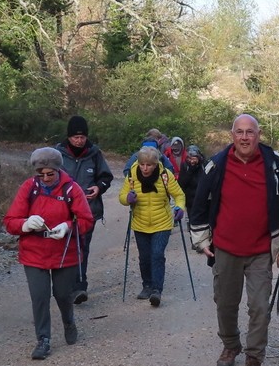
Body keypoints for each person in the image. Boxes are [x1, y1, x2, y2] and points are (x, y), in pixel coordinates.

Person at [189, 114, 279, 366]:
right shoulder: (217, 165)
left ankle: (253, 361)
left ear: (258, 134)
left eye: (250, 132)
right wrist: (202, 240)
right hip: (225, 248)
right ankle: (230, 345)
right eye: (240, 132)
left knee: (260, 307)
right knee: (225, 303)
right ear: (232, 135)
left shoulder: (275, 165)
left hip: (262, 249)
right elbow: (199, 203)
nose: (245, 137)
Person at [3, 148, 94, 360]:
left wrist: (68, 226)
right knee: (40, 297)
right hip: (34, 252)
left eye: (49, 174)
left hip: (64, 252)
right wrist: (25, 224)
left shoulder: (72, 189)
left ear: (58, 169)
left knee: (62, 295)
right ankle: (43, 339)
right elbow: (10, 221)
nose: (45, 178)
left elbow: (86, 220)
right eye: (40, 174)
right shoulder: (29, 188)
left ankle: (68, 321)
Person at [55, 115, 114, 304]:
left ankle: (80, 286)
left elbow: (106, 177)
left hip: (88, 211)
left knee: (82, 248)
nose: (79, 141)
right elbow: (47, 179)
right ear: (69, 137)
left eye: (82, 137)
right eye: (75, 137)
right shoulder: (58, 154)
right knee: (64, 247)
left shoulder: (94, 153)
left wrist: (99, 187)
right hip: (61, 210)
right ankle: (63, 285)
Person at [119, 145, 186, 306]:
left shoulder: (165, 175)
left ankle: (157, 290)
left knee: (156, 255)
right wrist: (128, 198)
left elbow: (179, 195)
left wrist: (179, 208)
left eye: (149, 165)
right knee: (144, 258)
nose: (145, 168)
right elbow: (121, 197)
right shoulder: (132, 176)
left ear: (156, 164)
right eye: (142, 164)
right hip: (140, 223)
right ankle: (147, 285)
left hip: (162, 223)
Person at [177, 144, 206, 212]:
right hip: (190, 200)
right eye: (189, 158)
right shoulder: (185, 166)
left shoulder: (204, 165)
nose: (191, 161)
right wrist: (190, 170)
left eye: (193, 158)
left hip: (203, 199)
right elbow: (181, 183)